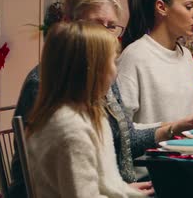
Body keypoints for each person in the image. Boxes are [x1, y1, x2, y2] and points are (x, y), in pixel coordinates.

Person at [10, 0, 193, 197]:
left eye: (111, 26)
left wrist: (176, 127)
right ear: (70, 24)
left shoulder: (98, 81)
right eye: (96, 24)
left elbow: (125, 138)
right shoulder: (45, 85)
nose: (106, 35)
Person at [27, 21, 148, 197]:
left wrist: (126, 190)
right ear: (91, 70)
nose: (116, 72)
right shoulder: (70, 128)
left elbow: (103, 183)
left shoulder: (91, 113)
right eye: (113, 62)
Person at [117, 0, 193, 130]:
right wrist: (172, 128)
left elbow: (183, 120)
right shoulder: (135, 56)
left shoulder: (186, 56)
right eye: (189, 6)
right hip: (154, 155)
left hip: (188, 153)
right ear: (162, 7)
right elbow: (121, 130)